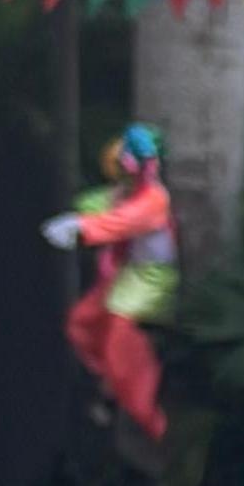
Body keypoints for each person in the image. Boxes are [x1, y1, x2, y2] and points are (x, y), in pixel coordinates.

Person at [44, 124, 178, 443]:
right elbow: (97, 203)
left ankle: (151, 418)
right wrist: (79, 213)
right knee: (80, 323)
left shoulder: (154, 200)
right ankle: (111, 383)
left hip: (152, 278)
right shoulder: (125, 194)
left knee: (119, 336)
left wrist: (81, 227)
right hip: (125, 274)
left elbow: (122, 222)